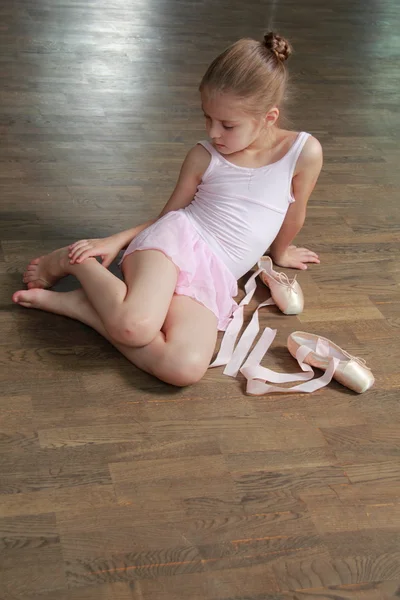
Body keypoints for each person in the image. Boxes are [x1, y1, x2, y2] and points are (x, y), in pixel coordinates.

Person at [12, 32, 322, 387]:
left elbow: (295, 210)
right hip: (174, 244)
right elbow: (169, 215)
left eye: (227, 124)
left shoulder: (303, 152)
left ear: (269, 117)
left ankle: (87, 308)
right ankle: (74, 262)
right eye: (207, 118)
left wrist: (281, 252)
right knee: (135, 327)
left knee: (184, 368)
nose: (214, 132)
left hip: (214, 274)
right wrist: (115, 241)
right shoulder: (204, 156)